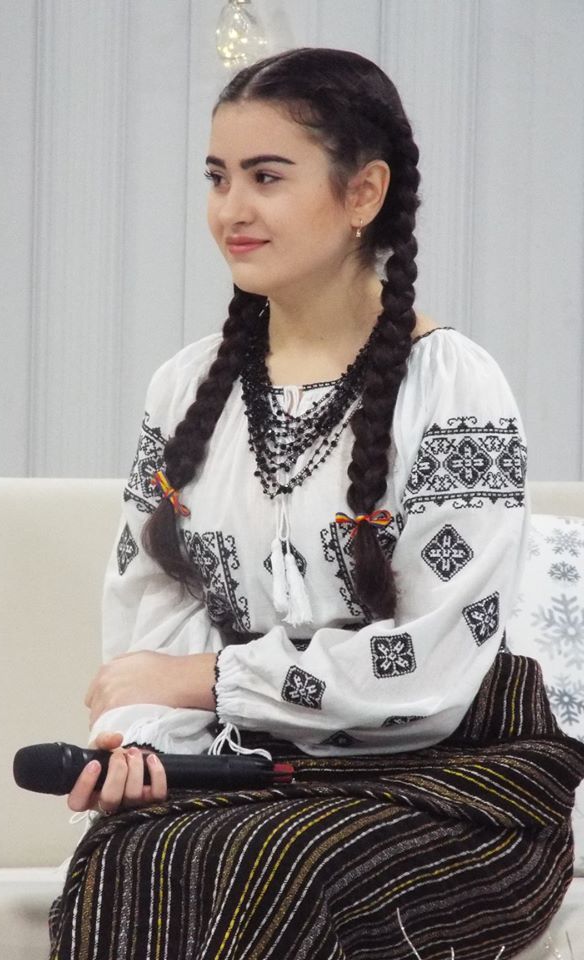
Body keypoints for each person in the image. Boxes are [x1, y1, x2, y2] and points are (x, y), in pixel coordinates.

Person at [49, 48, 584, 959]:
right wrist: (141, 748)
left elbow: (434, 665)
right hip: (251, 772)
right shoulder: (183, 389)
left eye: (267, 177)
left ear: (363, 191)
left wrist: (212, 679)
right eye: (217, 177)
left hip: (455, 783)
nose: (232, 209)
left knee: (272, 864)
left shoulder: (456, 387)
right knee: (130, 859)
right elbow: (151, 623)